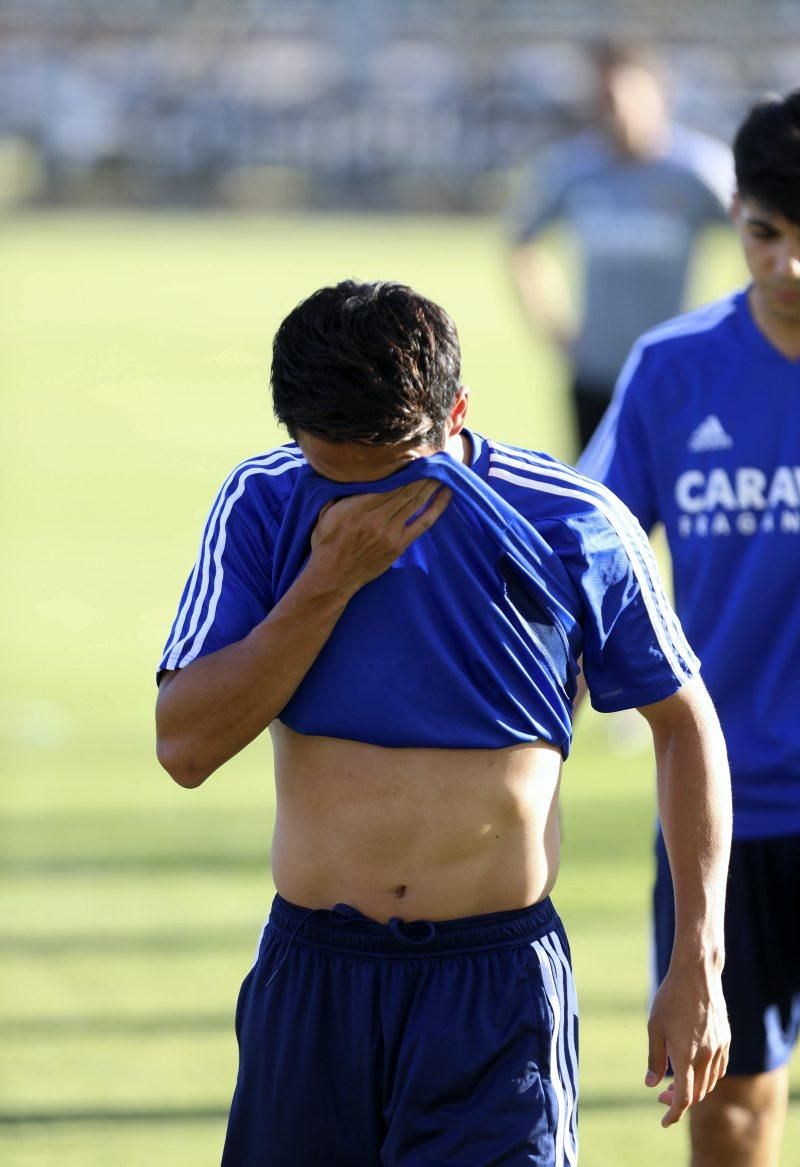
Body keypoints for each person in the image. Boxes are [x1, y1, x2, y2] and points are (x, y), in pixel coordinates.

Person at [155, 279, 731, 1165]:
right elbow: (185, 745)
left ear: (455, 411)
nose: (364, 504)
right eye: (327, 467)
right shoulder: (265, 502)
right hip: (316, 979)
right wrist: (326, 583)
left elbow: (684, 722)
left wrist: (699, 954)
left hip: (493, 993)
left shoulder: (571, 520)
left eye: (395, 472)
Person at [580, 90, 800, 1167]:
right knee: (731, 1110)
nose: (789, 267)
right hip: (730, 812)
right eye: (767, 235)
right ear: (734, 216)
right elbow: (580, 563)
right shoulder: (672, 370)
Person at [510, 40, 734, 452]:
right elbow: (523, 243)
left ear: (657, 94)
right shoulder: (573, 169)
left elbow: (759, 234)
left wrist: (732, 324)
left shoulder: (697, 170)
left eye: (626, 97)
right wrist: (555, 328)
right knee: (595, 503)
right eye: (605, 99)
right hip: (597, 373)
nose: (617, 111)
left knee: (681, 497)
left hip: (677, 370)